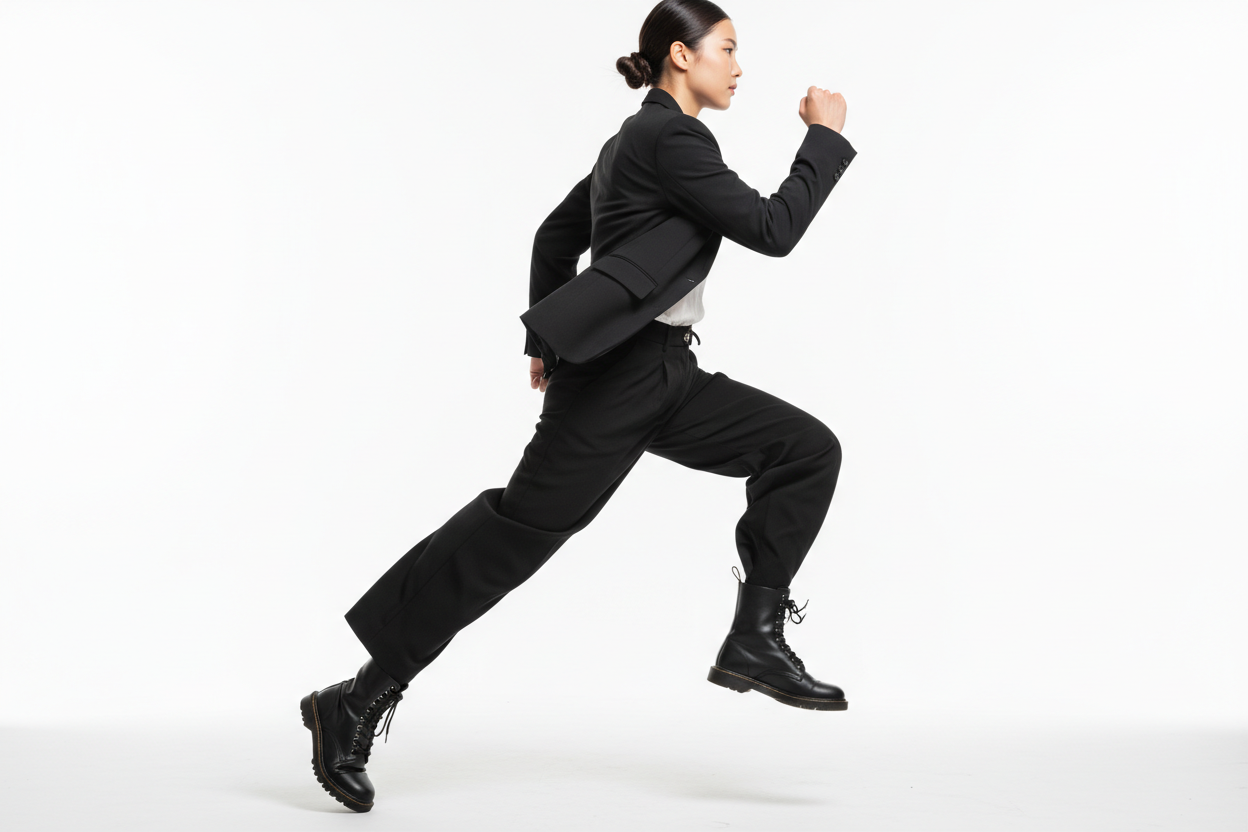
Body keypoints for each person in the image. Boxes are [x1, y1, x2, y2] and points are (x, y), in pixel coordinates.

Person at [300, 0, 857, 813]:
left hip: (666, 373)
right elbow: (773, 228)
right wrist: (826, 139)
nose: (740, 66)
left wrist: (544, 340)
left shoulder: (635, 144)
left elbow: (553, 237)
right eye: (728, 49)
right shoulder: (669, 138)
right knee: (514, 536)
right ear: (680, 55)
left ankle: (755, 637)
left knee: (805, 450)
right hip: (617, 382)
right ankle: (354, 700)